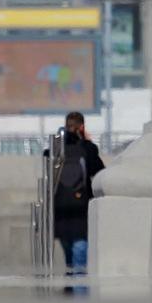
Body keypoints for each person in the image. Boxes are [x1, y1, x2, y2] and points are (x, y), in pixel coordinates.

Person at [51, 112, 105, 275]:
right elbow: (100, 171)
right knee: (80, 261)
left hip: (60, 210)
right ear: (82, 127)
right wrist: (87, 142)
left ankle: (71, 291)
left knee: (69, 258)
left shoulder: (55, 150)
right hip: (81, 210)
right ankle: (79, 296)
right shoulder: (87, 149)